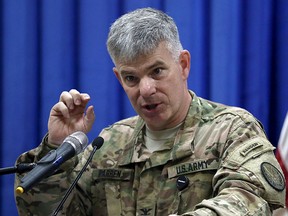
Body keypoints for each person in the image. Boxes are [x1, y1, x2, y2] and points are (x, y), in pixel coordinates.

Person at [14, 7, 285, 216]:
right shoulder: (109, 144)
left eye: (156, 71)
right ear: (119, 79)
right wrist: (57, 150)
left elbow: (248, 201)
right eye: (131, 78)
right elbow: (49, 211)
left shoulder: (233, 129)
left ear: (183, 64)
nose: (145, 89)